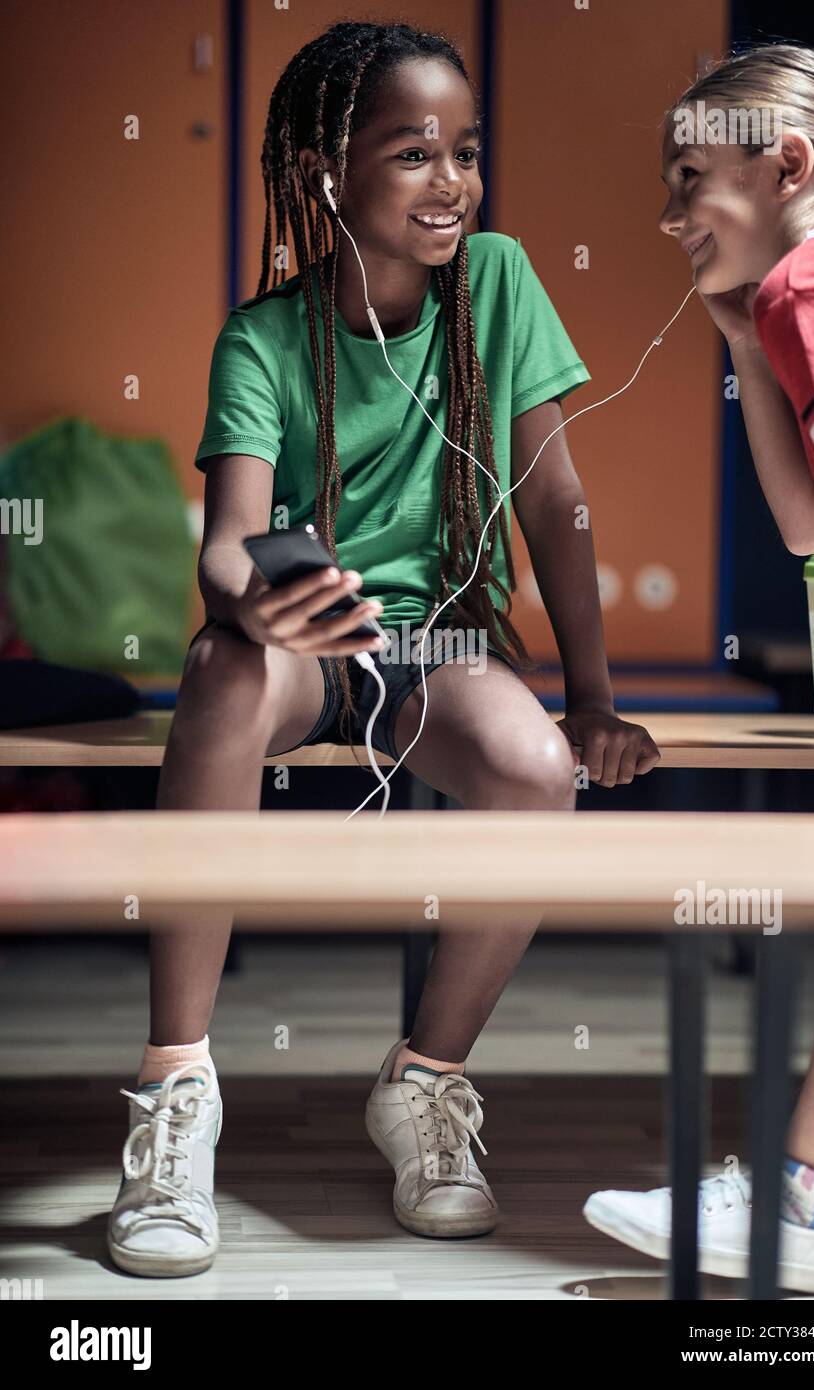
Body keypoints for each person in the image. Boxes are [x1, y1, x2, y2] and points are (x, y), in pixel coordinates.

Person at [107, 18, 659, 1277]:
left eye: (464, 151)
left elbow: (554, 504)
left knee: (531, 768)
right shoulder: (260, 340)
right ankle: (173, 1091)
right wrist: (259, 604)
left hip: (447, 645)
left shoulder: (501, 282)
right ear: (322, 175)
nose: (453, 181)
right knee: (221, 668)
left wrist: (592, 700)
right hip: (312, 650)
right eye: (413, 152)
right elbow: (227, 543)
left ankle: (424, 1080)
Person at [584, 42, 814, 1295]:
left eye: (691, 175)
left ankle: (801, 1208)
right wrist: (743, 344)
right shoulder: (802, 294)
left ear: (788, 165)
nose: (665, 213)